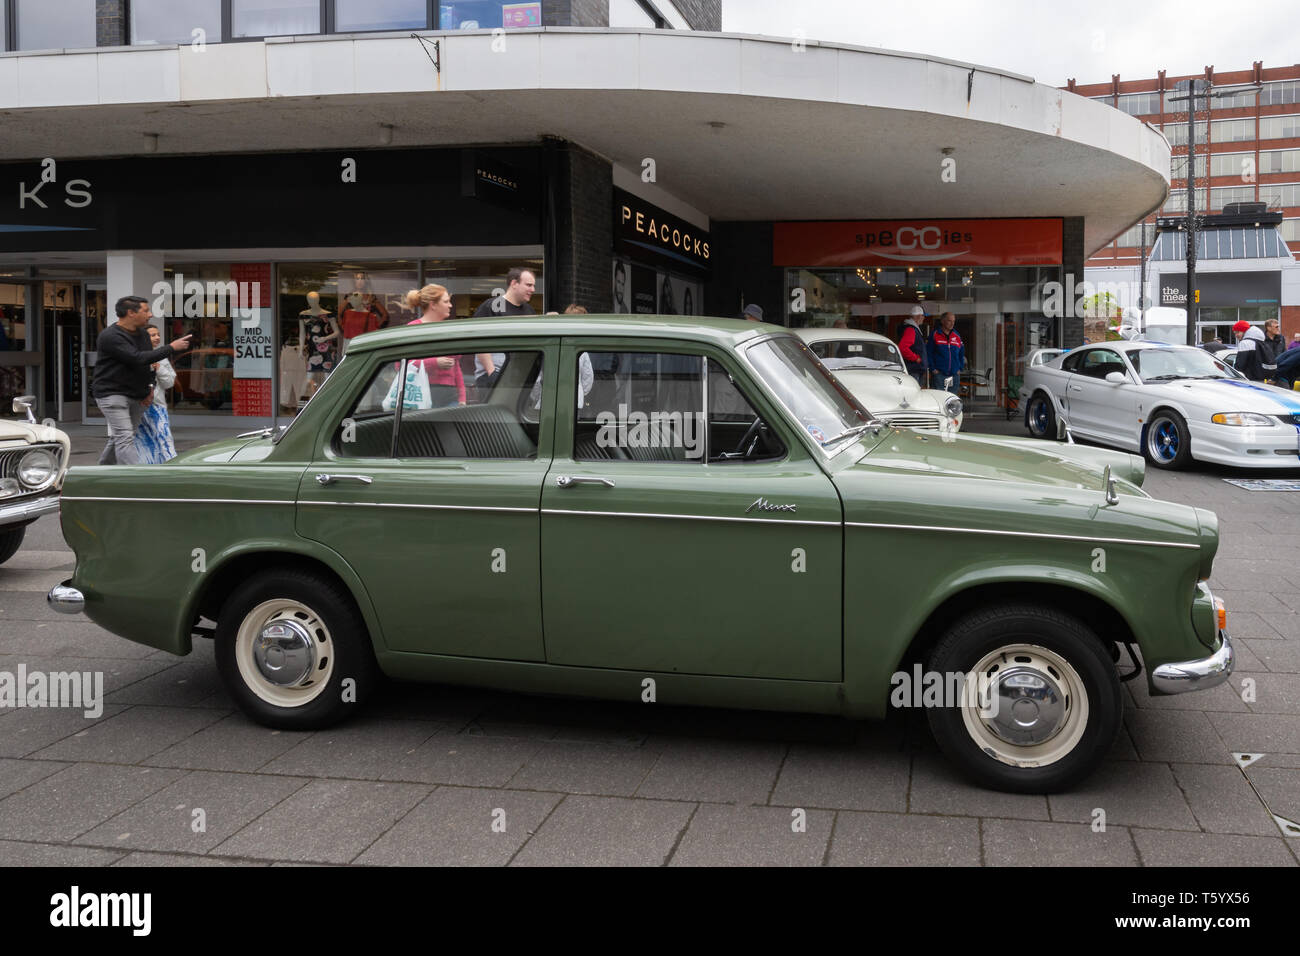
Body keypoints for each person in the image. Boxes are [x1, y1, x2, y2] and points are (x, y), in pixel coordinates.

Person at [93, 296, 191, 465]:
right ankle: (135, 479)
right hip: (112, 394)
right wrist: (171, 348)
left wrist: (150, 388)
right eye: (146, 310)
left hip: (138, 395)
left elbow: (148, 365)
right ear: (131, 313)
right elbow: (136, 358)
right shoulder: (110, 336)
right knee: (124, 437)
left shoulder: (143, 335)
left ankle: (103, 469)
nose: (150, 314)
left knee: (124, 435)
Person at [472, 267, 535, 392]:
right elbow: (478, 340)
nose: (532, 290)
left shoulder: (529, 311)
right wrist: (491, 372)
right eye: (528, 285)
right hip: (493, 377)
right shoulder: (492, 306)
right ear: (514, 283)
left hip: (518, 378)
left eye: (533, 286)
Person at [406, 285, 464, 407]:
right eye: (446, 301)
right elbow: (402, 364)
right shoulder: (413, 328)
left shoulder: (449, 329)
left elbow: (456, 365)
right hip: (420, 393)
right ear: (433, 305)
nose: (450, 305)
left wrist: (462, 398)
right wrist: (434, 362)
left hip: (450, 395)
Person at [134, 324, 177, 463]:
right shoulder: (134, 355)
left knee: (163, 436)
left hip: (157, 405)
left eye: (158, 334)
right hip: (137, 405)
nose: (157, 337)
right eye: (152, 335)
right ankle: (147, 466)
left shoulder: (161, 358)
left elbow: (170, 382)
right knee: (142, 438)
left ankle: (171, 464)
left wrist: (159, 369)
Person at [929, 312, 964, 394]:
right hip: (939, 374)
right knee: (939, 398)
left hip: (954, 374)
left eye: (953, 321)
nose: (952, 323)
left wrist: (960, 368)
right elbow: (929, 353)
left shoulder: (957, 336)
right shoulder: (934, 335)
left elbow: (961, 353)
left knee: (952, 398)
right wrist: (933, 369)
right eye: (949, 321)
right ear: (942, 321)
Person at [898, 305, 929, 386]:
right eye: (923, 316)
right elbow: (903, 348)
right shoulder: (911, 329)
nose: (924, 318)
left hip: (915, 369)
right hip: (914, 370)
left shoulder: (912, 329)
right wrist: (916, 358)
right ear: (919, 316)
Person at [1259, 318, 1288, 386]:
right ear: (1268, 328)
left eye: (1278, 326)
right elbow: (1259, 359)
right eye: (1276, 327)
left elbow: (1285, 354)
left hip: (1280, 374)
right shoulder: (1261, 340)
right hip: (1265, 376)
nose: (1278, 328)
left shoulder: (1281, 338)